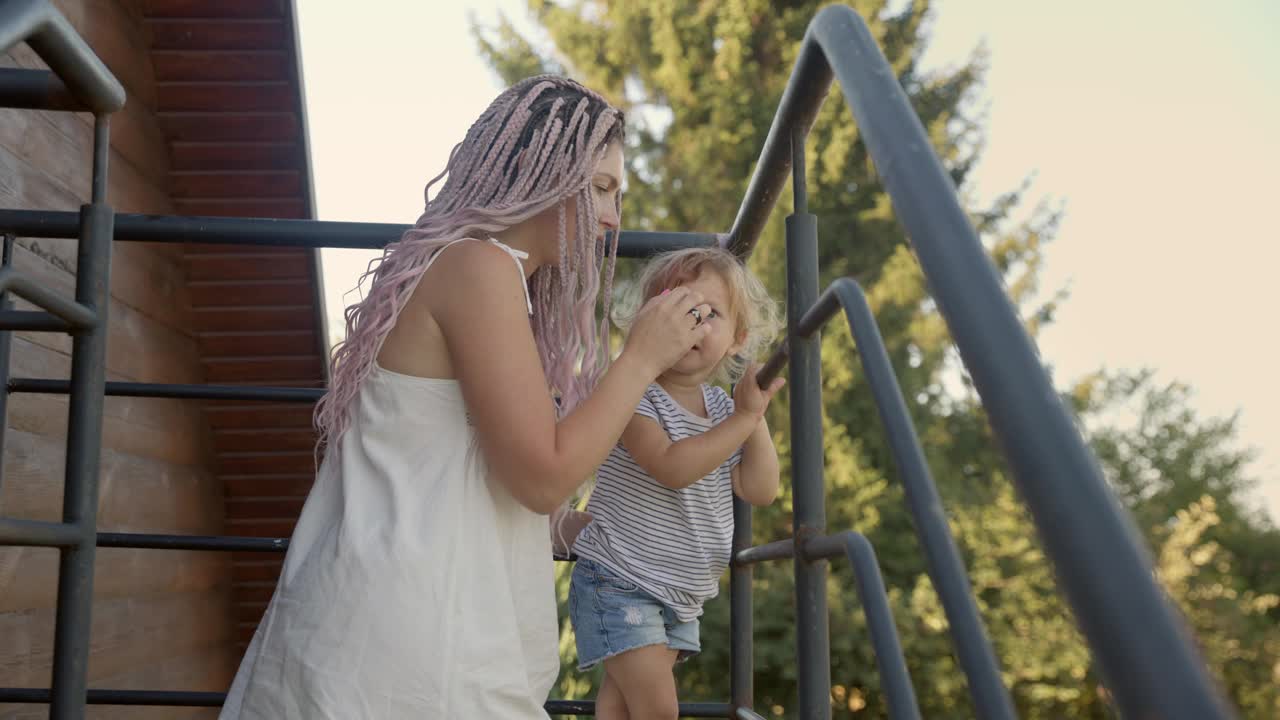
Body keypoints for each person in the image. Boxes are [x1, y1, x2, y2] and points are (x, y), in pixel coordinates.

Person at [218, 75, 717, 719]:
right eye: (599, 188)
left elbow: (471, 474)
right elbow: (542, 475)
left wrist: (607, 539)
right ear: (540, 174)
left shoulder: (476, 272)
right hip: (412, 638)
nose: (614, 217)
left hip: (398, 628)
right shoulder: (478, 268)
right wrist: (644, 357)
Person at [568, 247, 784, 720]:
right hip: (621, 579)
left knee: (621, 708)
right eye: (676, 309)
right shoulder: (635, 395)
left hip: (681, 594)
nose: (691, 323)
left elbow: (760, 488)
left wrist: (755, 417)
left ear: (737, 338)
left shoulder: (726, 411)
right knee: (658, 711)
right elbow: (670, 465)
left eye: (707, 313)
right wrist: (743, 418)